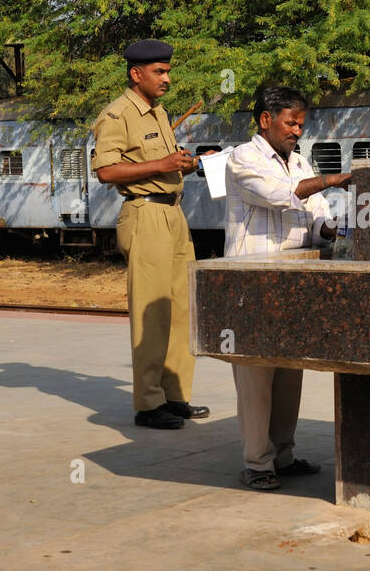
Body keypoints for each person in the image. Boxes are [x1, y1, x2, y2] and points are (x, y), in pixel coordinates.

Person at [224, 86, 353, 490]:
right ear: (266, 119)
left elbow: (316, 216)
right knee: (256, 377)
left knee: (289, 372)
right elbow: (280, 196)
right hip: (253, 280)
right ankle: (257, 463)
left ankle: (284, 453)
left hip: (293, 280)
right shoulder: (241, 159)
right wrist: (335, 179)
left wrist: (335, 230)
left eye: (301, 123)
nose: (298, 130)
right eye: (291, 122)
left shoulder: (299, 162)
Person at [92, 39, 209, 430]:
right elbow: (106, 172)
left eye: (168, 71)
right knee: (152, 311)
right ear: (135, 74)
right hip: (145, 216)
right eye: (159, 72)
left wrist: (188, 164)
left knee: (180, 310)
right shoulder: (117, 115)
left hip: (174, 215)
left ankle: (174, 396)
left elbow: (162, 167)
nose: (167, 79)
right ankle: (148, 404)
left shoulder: (158, 113)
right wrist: (162, 162)